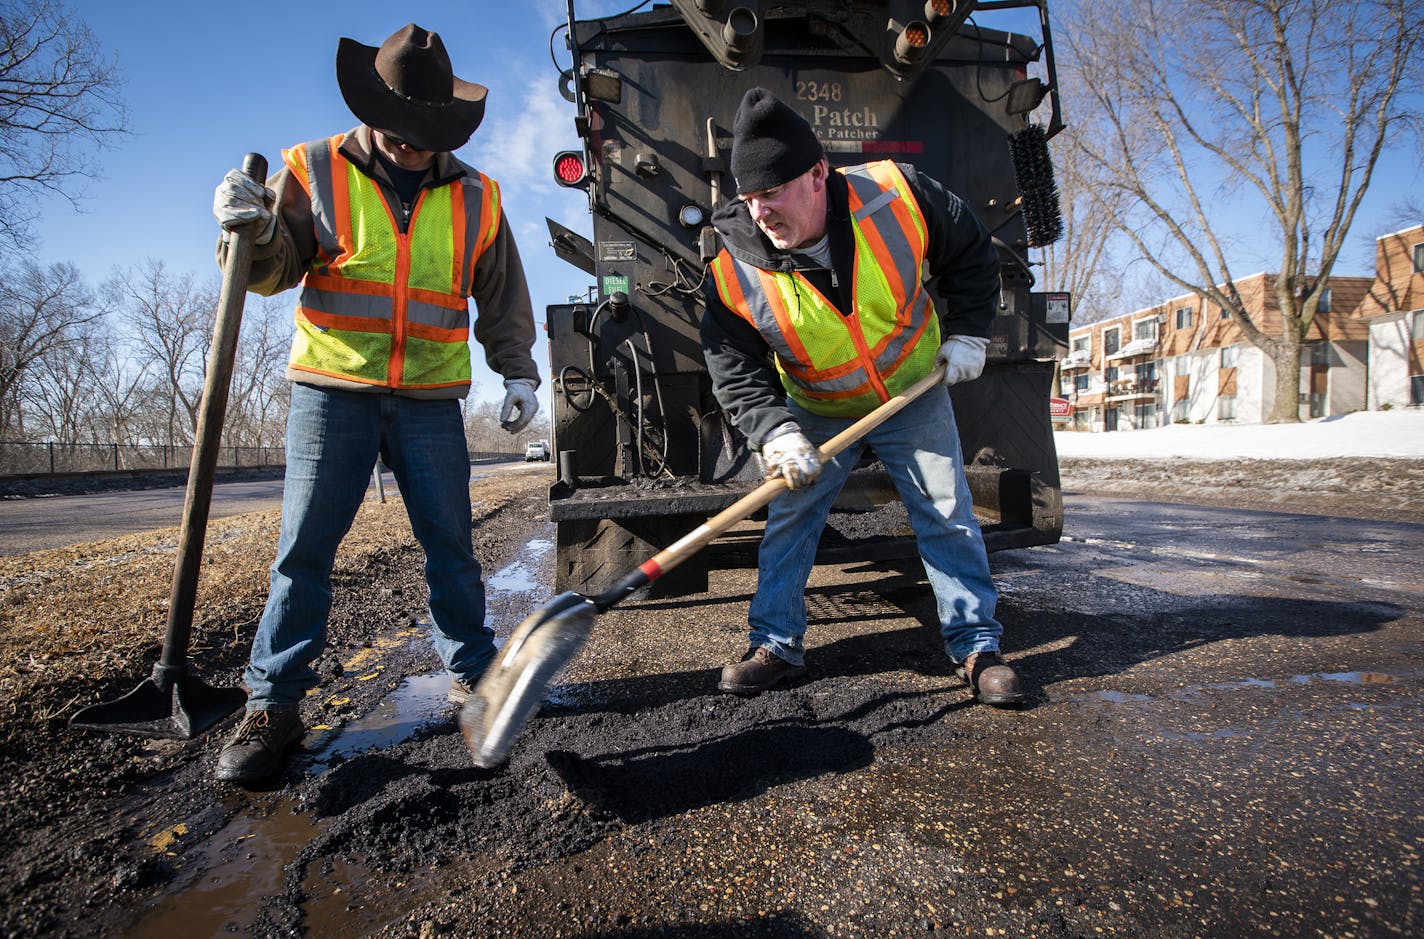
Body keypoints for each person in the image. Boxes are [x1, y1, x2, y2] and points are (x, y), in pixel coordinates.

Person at [209, 24, 541, 784]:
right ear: (373, 112)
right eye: (399, 134)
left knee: (452, 547)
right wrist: (250, 230)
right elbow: (271, 269)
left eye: (425, 138)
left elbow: (502, 294)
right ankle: (274, 704)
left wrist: (518, 372)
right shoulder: (314, 168)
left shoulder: (478, 195)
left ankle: (475, 679)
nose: (409, 149)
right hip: (333, 390)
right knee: (304, 552)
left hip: (429, 397)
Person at [700, 87, 1022, 707]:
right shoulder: (733, 268)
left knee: (947, 515)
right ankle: (774, 643)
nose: (760, 210)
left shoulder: (897, 196)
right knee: (790, 520)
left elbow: (972, 253)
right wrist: (775, 430)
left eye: (772, 191)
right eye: (748, 196)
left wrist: (971, 332)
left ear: (818, 173)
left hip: (911, 389)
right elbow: (731, 364)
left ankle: (978, 646)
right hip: (817, 407)